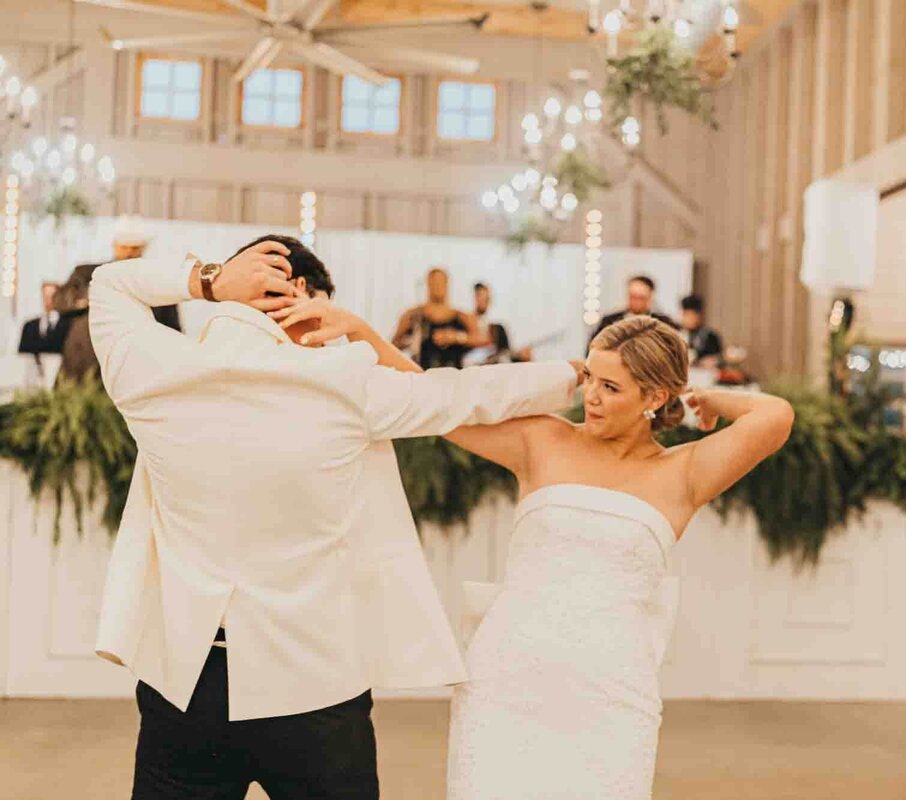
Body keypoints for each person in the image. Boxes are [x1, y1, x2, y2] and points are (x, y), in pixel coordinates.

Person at [90, 234, 583, 800]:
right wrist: (575, 374)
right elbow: (464, 394)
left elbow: (109, 283)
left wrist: (208, 279)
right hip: (314, 689)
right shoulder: (345, 382)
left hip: (185, 686)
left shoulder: (152, 369)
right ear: (298, 292)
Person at [444, 315, 794, 799]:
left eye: (610, 386)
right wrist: (358, 333)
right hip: (505, 682)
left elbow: (775, 416)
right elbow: (431, 404)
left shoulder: (684, 472)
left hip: (611, 695)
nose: (590, 396)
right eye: (588, 377)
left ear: (654, 398)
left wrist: (708, 398)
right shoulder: (543, 441)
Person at [391, 268, 489, 369]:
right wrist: (410, 342)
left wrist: (456, 337)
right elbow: (393, 345)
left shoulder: (462, 317)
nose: (437, 286)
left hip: (454, 376)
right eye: (434, 282)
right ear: (428, 284)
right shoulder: (412, 315)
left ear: (447, 284)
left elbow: (482, 339)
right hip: (421, 375)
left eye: (440, 282)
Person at [112, 214, 182, 332]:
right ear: (115, 246)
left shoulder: (160, 282)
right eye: (124, 247)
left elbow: (172, 327)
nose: (129, 253)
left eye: (134, 248)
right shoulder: (90, 277)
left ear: (143, 248)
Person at [587, 275, 678, 347]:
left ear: (650, 297)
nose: (636, 302)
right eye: (632, 297)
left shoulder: (663, 323)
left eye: (641, 298)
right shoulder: (610, 320)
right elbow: (594, 346)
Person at [17, 281, 67, 366]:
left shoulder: (68, 325)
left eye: (52, 296)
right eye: (45, 295)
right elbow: (23, 355)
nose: (48, 299)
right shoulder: (29, 326)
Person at [679, 294, 723, 367]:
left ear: (699, 316)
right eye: (686, 315)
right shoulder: (678, 335)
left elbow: (719, 359)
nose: (689, 319)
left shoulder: (711, 336)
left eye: (693, 315)